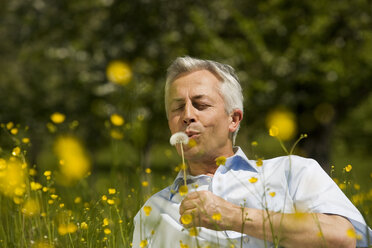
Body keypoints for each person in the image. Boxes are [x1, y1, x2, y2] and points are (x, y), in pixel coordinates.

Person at [132, 56, 371, 247]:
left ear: (233, 120)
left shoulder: (292, 172)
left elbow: (345, 237)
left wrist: (233, 217)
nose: (187, 115)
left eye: (201, 105)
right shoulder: (153, 211)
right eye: (177, 108)